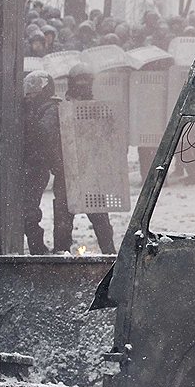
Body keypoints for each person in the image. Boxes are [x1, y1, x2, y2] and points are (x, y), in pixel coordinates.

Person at [59, 63, 117, 254]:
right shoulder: (62, 108)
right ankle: (60, 258)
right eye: (79, 82)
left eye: (86, 81)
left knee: (101, 223)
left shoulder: (99, 108)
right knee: (63, 224)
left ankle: (110, 257)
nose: (83, 85)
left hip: (92, 172)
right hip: (67, 173)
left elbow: (109, 138)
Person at [22, 71, 60, 254]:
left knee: (29, 209)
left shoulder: (50, 109)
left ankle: (37, 248)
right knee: (26, 208)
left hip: (37, 167)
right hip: (26, 165)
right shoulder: (32, 109)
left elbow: (44, 135)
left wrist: (27, 119)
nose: (30, 93)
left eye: (35, 88)